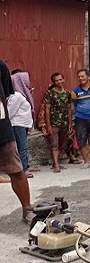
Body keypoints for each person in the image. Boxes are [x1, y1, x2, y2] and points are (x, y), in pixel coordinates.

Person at [0, 60, 32, 221]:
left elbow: (6, 95)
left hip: (2, 130)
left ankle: (27, 208)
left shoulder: (0, 66)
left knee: (16, 170)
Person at [43, 74, 78, 172]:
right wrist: (48, 125)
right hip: (54, 122)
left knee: (63, 144)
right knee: (54, 144)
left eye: (60, 79)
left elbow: (69, 109)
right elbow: (47, 109)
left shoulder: (67, 93)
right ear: (53, 82)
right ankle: (56, 165)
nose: (59, 82)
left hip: (65, 122)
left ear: (63, 79)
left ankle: (56, 162)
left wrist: (70, 123)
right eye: (56, 80)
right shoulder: (50, 93)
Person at [8, 90, 33, 178]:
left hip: (22, 124)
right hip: (18, 124)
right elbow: (10, 112)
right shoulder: (16, 96)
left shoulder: (15, 96)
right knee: (21, 147)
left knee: (21, 147)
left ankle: (24, 167)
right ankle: (24, 169)